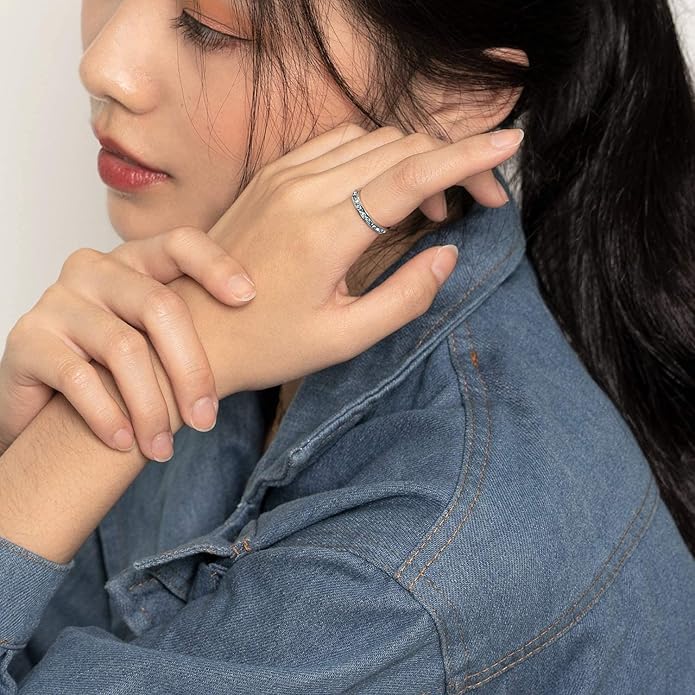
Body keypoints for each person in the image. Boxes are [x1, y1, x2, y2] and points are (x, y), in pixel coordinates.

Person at [0, 0, 693, 692]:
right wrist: (22, 447)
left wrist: (84, 431)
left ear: (460, 95)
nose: (103, 66)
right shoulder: (232, 332)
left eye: (213, 27)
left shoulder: (413, 563)